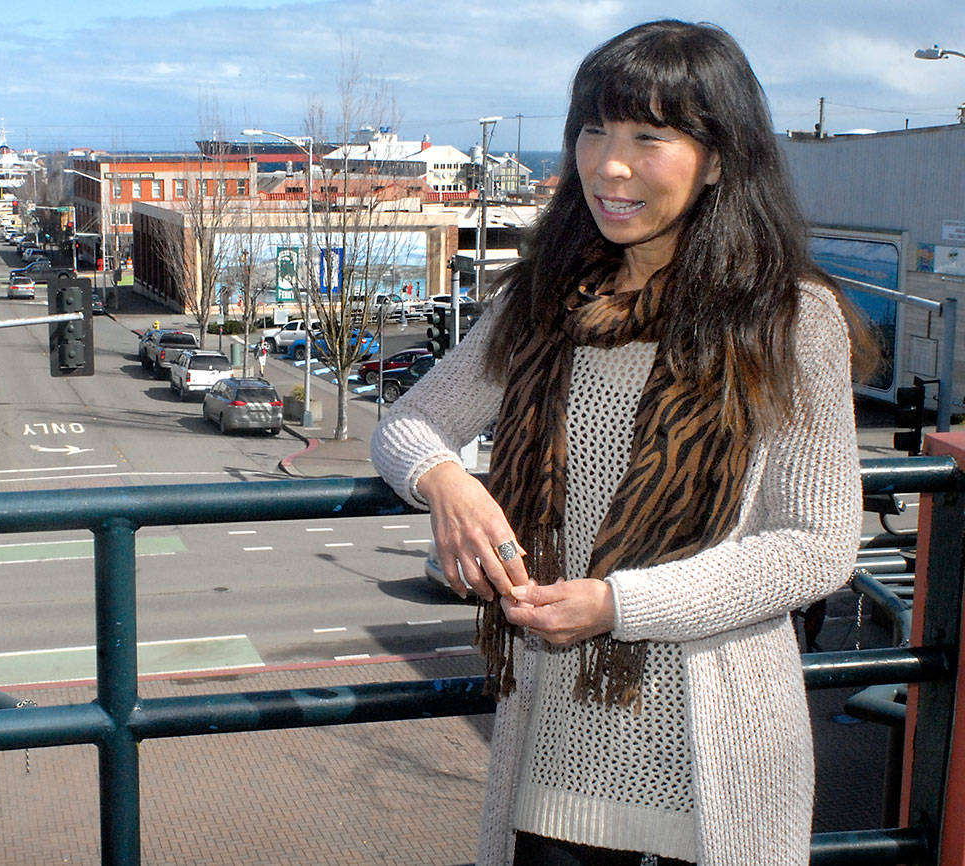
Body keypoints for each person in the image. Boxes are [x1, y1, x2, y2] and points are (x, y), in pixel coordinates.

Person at [370, 20, 865, 866]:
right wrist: (448, 483)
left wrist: (619, 605)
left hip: (719, 748)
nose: (609, 163)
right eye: (593, 129)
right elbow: (408, 423)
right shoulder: (547, 301)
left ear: (718, 157)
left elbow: (819, 546)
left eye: (649, 136)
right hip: (556, 741)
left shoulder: (788, 319)